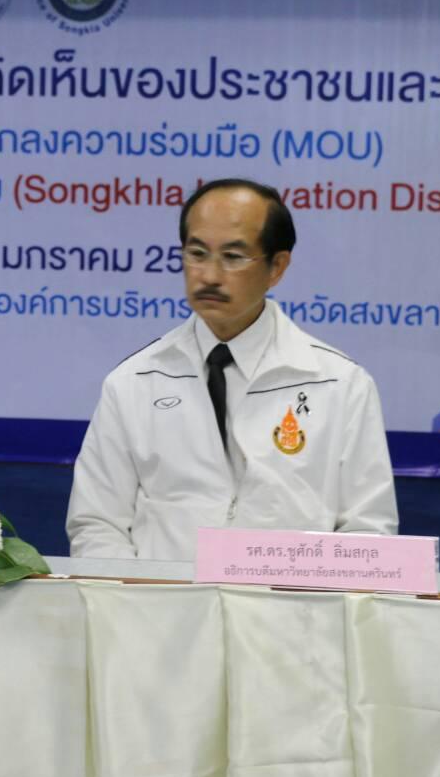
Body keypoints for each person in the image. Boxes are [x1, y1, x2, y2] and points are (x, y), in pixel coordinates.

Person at [66, 178, 398, 560]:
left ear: (277, 267)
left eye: (233, 256)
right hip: (162, 598)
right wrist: (141, 594)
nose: (209, 276)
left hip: (291, 599)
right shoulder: (134, 382)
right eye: (197, 253)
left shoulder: (340, 384)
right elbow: (97, 524)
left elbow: (368, 533)